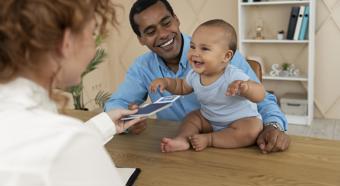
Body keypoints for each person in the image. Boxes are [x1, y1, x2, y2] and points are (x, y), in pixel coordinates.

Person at [104, 0, 290, 153]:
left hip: (232, 143)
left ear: (177, 20)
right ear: (141, 39)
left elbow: (263, 100)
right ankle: (183, 140)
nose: (162, 34)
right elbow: (116, 104)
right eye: (151, 31)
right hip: (180, 149)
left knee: (251, 128)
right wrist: (128, 121)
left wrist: (274, 126)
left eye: (166, 22)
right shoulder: (143, 67)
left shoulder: (220, 53)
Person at [0, 0, 144, 185]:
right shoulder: (68, 142)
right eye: (92, 34)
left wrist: (104, 124)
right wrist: (80, 141)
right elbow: (60, 149)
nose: (94, 48)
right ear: (66, 43)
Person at [150, 19, 265, 152]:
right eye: (192, 46)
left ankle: (210, 139)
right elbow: (181, 87)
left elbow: (260, 94)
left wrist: (246, 88)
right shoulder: (194, 75)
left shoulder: (232, 75)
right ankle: (182, 139)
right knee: (192, 118)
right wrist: (166, 82)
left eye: (204, 48)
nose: (195, 53)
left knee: (252, 129)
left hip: (238, 121)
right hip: (209, 118)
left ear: (226, 56)